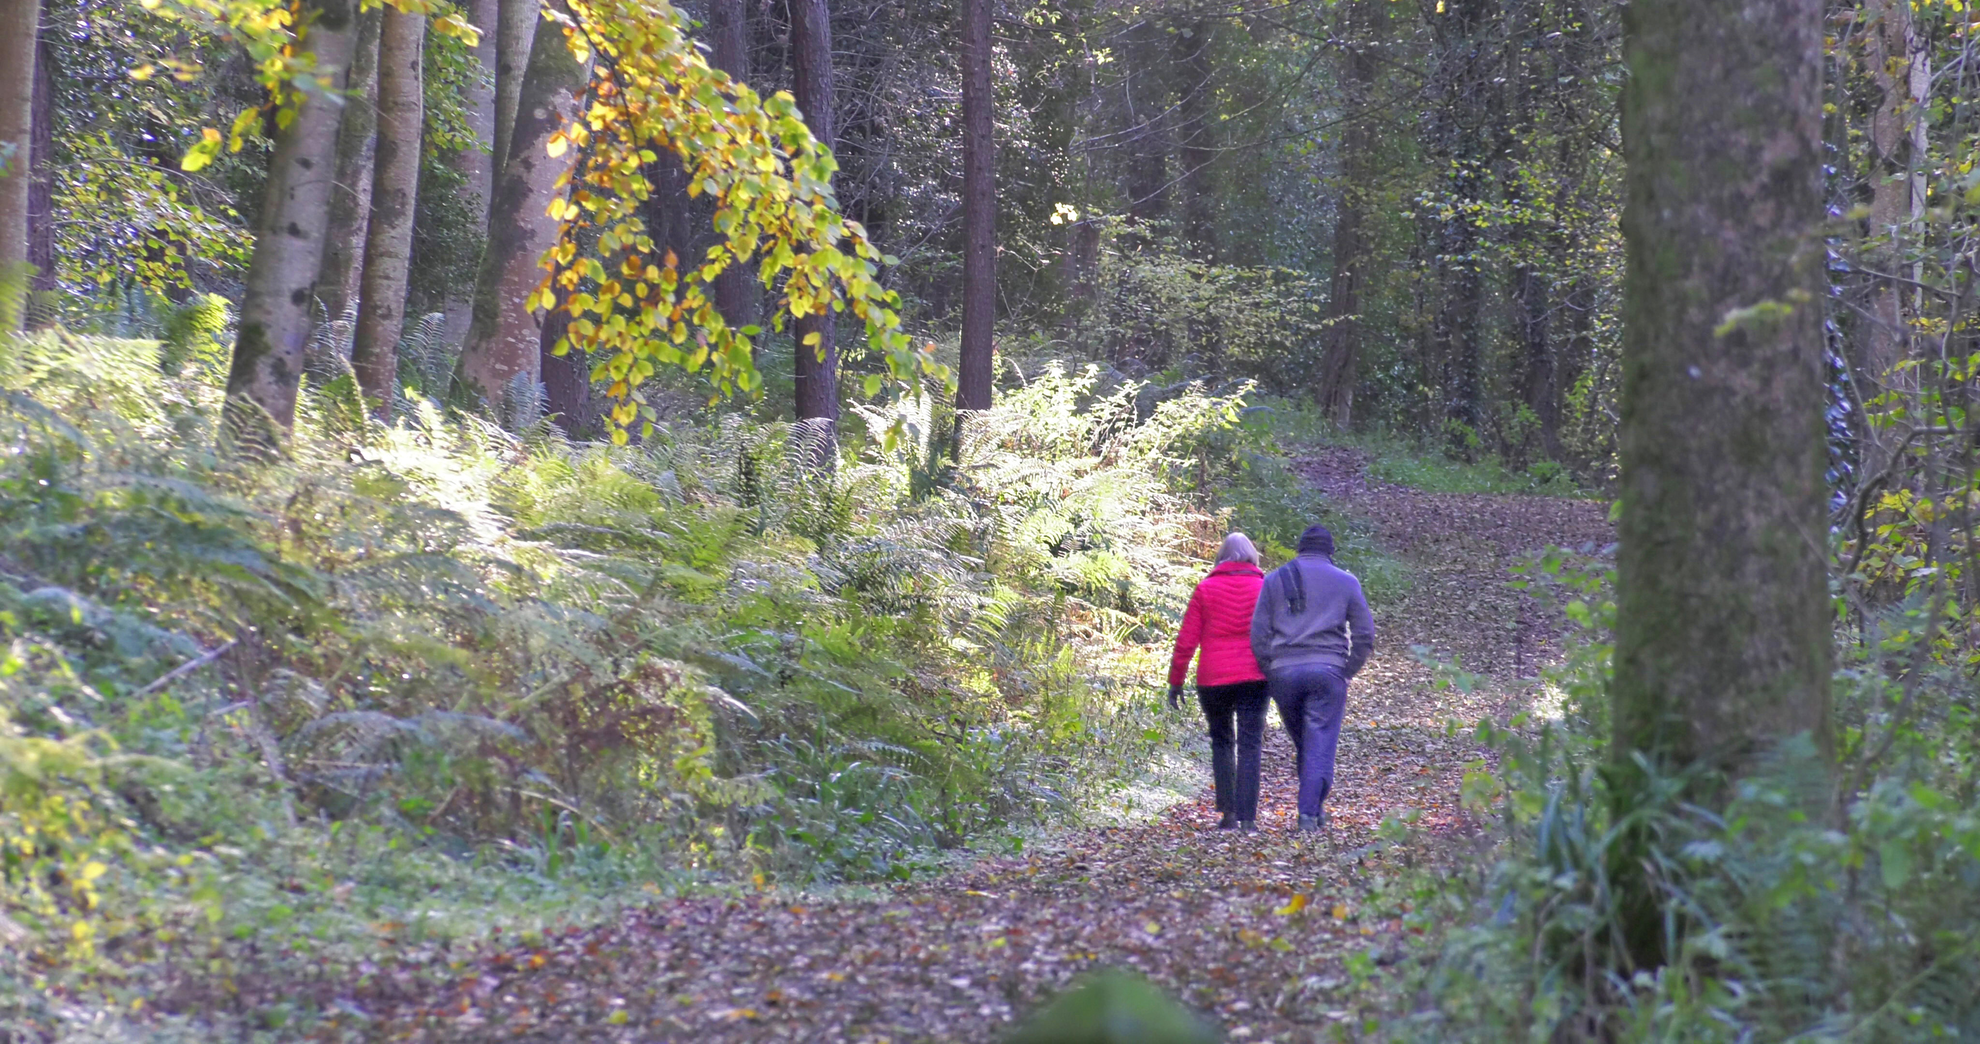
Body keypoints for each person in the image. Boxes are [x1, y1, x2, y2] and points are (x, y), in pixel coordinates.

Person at [1249, 523, 1374, 832]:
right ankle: (1308, 814)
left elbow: (1258, 634)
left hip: (1284, 674)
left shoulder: (1275, 579)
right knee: (1318, 742)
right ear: (1331, 551)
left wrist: (1271, 668)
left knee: (1307, 743)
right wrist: (1347, 670)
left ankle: (1314, 809)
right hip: (1327, 670)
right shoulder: (1346, 582)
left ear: (1300, 549)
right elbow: (1365, 633)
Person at [1168, 532, 1269, 831]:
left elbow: (1186, 640)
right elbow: (1275, 634)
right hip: (1255, 676)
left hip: (1214, 679)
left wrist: (1176, 680)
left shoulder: (1205, 589)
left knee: (1222, 742)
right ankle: (1248, 818)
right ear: (1252, 556)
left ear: (1220, 558)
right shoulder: (1264, 588)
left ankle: (1229, 814)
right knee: (1250, 744)